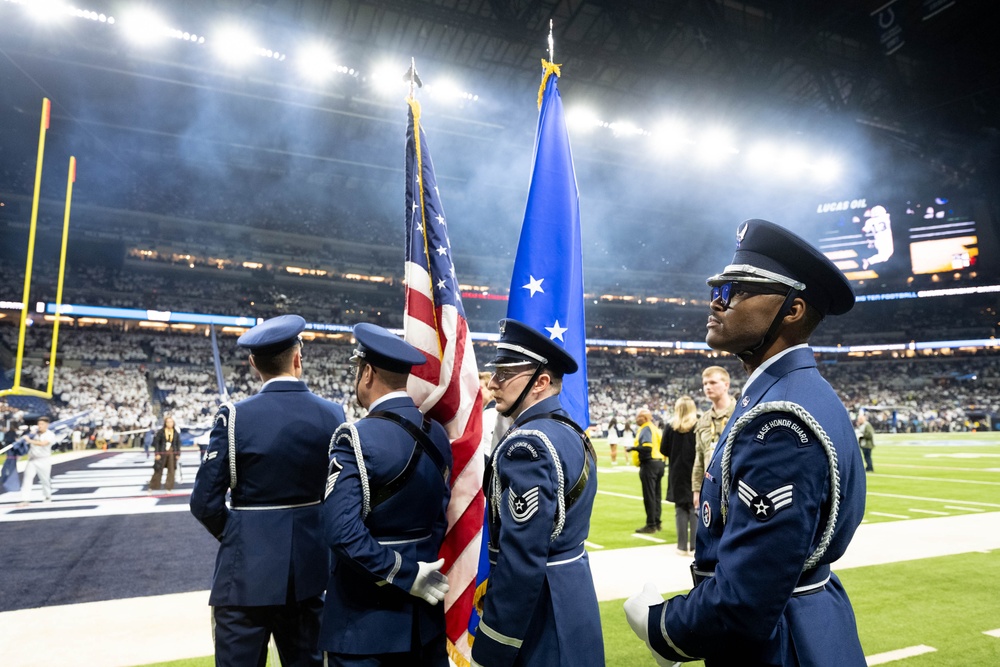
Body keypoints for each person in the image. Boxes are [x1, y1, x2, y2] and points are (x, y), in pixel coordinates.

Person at [625, 219, 868, 666]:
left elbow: (746, 598)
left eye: (735, 291)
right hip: (804, 621)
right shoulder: (792, 393)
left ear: (792, 310)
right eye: (717, 289)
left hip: (783, 642)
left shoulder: (778, 421)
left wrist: (662, 626)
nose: (715, 303)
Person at [190, 314, 346, 667]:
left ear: (253, 364)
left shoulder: (234, 416)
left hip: (244, 575)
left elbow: (204, 502)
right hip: (310, 574)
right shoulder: (333, 415)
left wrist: (242, 535)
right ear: (298, 358)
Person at [471, 319, 603, 667]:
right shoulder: (568, 430)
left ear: (541, 382)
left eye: (505, 374)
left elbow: (522, 555)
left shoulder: (527, 444)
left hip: (540, 612)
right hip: (572, 595)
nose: (493, 383)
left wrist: (496, 640)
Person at [319, 322, 452, 666]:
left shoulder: (355, 437)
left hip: (364, 621)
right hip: (426, 618)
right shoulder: (437, 433)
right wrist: (419, 565)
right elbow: (440, 515)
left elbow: (340, 531)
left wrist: (403, 573)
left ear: (367, 372)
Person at [691, 366, 735, 509]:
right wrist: (697, 490)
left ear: (726, 385)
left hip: (735, 488)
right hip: (710, 488)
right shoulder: (703, 420)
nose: (708, 387)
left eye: (713, 382)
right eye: (705, 384)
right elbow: (699, 457)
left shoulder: (741, 413)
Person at [662, 396, 698, 555]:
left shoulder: (670, 426)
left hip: (677, 471)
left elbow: (663, 449)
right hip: (694, 470)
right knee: (694, 507)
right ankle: (695, 546)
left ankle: (682, 546)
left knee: (680, 508)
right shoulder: (698, 425)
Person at [626, 407, 665, 534]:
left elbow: (647, 448)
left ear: (646, 418)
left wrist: (633, 448)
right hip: (659, 463)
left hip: (649, 464)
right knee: (657, 495)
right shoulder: (655, 429)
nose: (637, 419)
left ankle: (651, 524)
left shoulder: (646, 428)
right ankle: (657, 522)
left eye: (639, 417)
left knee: (649, 496)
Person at [17, 416, 56, 506]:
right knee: (27, 479)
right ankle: (25, 499)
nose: (40, 426)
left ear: (47, 425)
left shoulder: (50, 435)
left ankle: (47, 496)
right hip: (32, 459)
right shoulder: (34, 433)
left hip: (43, 460)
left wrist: (30, 440)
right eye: (38, 424)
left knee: (45, 480)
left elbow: (43, 444)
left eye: (42, 424)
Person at [148, 415, 180, 493]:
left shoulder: (175, 432)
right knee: (158, 469)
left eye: (171, 422)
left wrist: (177, 453)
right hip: (162, 452)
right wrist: (157, 454)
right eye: (168, 422)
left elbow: (177, 443)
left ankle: (169, 488)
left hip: (172, 452)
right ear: (165, 423)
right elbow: (157, 444)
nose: (170, 423)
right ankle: (152, 487)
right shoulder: (161, 432)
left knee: (171, 471)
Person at [480, 370, 500, 457]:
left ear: (491, 390)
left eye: (480, 388)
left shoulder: (489, 414)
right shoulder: (488, 412)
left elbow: (488, 450)